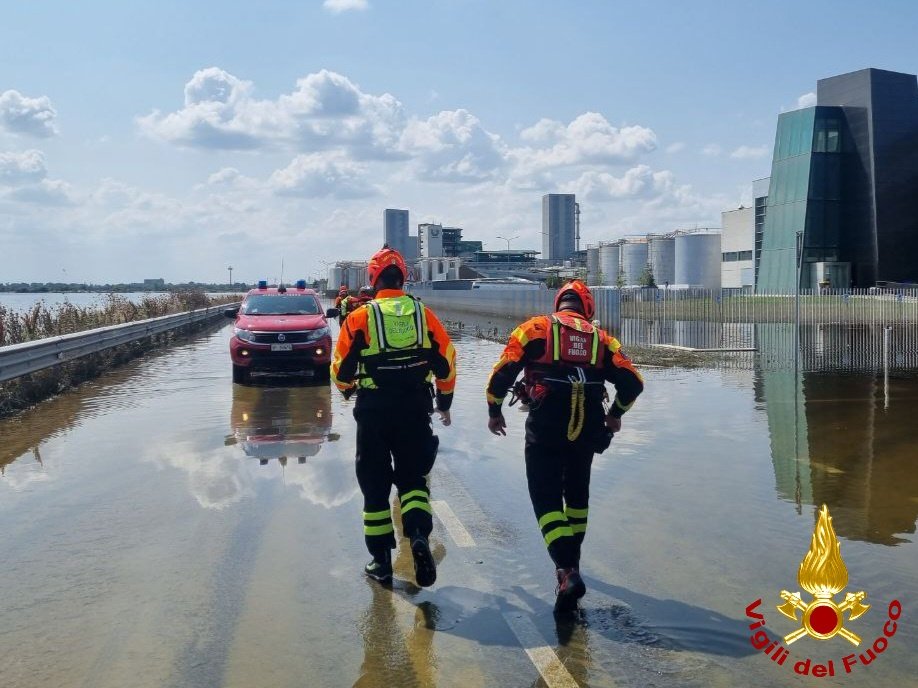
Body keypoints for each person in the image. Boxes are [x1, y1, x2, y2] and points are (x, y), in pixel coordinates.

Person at [485, 280, 643, 613]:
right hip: (587, 425)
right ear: (588, 308)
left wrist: (494, 410)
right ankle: (574, 563)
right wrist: (615, 414)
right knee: (577, 495)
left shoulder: (535, 329)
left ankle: (567, 570)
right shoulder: (603, 340)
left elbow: (502, 373)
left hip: (546, 423)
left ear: (559, 304)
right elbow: (633, 383)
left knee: (545, 497)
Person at [332, 246, 457, 587]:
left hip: (373, 410)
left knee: (375, 487)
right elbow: (447, 360)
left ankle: (381, 563)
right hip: (415, 407)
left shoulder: (360, 317)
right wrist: (444, 401)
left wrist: (348, 389)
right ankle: (418, 536)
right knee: (413, 481)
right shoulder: (423, 314)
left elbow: (340, 371)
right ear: (403, 278)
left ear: (373, 278)